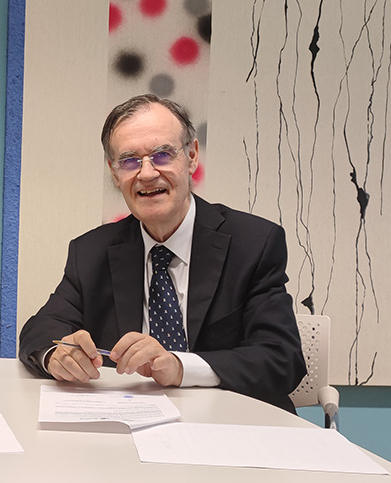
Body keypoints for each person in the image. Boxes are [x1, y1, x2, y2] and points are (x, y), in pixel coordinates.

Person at [18, 94, 306, 412]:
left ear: (191, 156)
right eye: (129, 161)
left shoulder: (253, 243)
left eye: (162, 155)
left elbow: (282, 358)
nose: (146, 173)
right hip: (131, 422)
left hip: (231, 422)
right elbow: (40, 329)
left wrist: (180, 366)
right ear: (114, 173)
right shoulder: (90, 252)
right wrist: (57, 355)